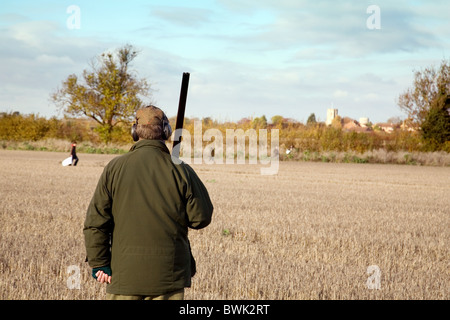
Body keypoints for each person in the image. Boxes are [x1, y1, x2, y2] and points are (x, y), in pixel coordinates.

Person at [83, 105, 213, 300]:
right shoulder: (181, 170)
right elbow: (200, 219)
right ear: (167, 132)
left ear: (134, 132)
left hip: (123, 277)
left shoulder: (114, 168)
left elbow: (96, 222)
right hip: (169, 278)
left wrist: (100, 263)